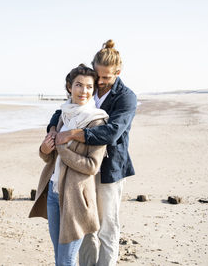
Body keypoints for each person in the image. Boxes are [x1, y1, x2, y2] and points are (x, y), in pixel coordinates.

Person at [46, 40, 137, 266]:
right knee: (87, 227)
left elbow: (112, 133)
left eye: (107, 77)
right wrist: (53, 130)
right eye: (99, 76)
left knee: (107, 227)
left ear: (118, 72)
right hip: (82, 169)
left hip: (110, 170)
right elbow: (62, 111)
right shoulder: (89, 88)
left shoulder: (126, 97)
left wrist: (73, 134)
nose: (101, 82)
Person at [29, 64, 109, 266]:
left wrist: (63, 148)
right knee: (60, 260)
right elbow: (49, 156)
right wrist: (45, 149)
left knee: (65, 262)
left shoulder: (97, 122)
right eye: (79, 85)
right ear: (69, 87)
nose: (84, 91)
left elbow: (92, 166)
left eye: (89, 87)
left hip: (76, 199)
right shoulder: (62, 116)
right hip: (53, 194)